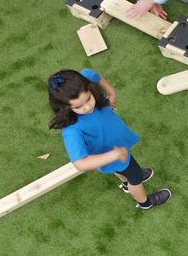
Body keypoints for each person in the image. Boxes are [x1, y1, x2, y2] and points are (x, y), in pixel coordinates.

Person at [47, 69, 171, 210]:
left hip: (117, 151)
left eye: (88, 99)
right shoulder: (71, 130)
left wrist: (111, 94)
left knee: (123, 170)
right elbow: (80, 163)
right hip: (115, 155)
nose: (88, 107)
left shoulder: (84, 80)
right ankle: (145, 202)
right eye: (78, 107)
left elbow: (93, 74)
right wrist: (114, 155)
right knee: (135, 177)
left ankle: (126, 183)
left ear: (88, 88)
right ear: (64, 107)